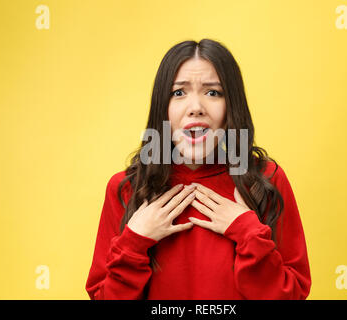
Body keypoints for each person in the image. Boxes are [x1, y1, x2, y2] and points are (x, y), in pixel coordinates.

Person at [85, 39, 311, 299]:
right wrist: (135, 241)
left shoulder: (265, 181)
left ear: (230, 108)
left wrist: (247, 231)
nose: (196, 108)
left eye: (213, 92)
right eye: (179, 92)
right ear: (164, 108)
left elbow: (292, 295)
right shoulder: (126, 189)